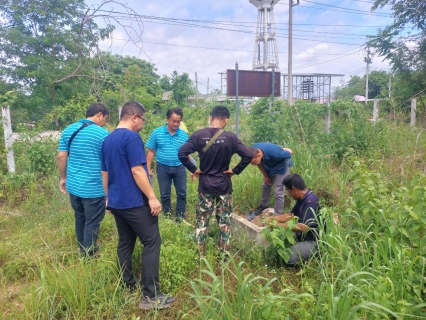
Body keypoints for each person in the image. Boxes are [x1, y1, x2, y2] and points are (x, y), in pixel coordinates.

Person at [101, 101, 176, 310]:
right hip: (134, 201)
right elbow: (137, 170)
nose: (143, 124)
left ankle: (126, 284)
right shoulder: (132, 137)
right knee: (152, 241)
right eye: (142, 119)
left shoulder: (107, 139)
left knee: (125, 243)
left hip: (117, 202)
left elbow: (104, 173)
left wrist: (108, 198)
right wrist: (152, 197)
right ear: (134, 116)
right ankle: (151, 296)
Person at [178, 105, 253, 256]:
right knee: (224, 222)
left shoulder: (198, 135)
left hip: (205, 185)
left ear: (211, 118)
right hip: (224, 185)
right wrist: (234, 171)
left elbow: (181, 153)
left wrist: (194, 170)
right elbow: (248, 155)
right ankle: (223, 257)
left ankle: (201, 257)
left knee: (202, 223)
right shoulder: (231, 137)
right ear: (225, 120)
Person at [57, 103, 109, 257]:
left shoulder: (68, 130)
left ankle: (82, 248)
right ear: (99, 114)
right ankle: (88, 255)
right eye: (105, 118)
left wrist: (63, 179)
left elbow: (61, 156)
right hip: (94, 188)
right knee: (92, 222)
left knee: (80, 217)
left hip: (73, 186)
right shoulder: (102, 134)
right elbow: (107, 164)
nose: (104, 122)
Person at [146, 107, 191, 221]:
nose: (176, 124)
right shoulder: (157, 133)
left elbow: (187, 153)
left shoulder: (183, 135)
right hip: (162, 167)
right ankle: (168, 217)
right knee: (165, 194)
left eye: (178, 121)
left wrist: (191, 169)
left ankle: (181, 218)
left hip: (179, 167)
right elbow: (151, 151)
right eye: (173, 121)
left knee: (182, 194)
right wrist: (148, 168)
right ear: (167, 119)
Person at [267, 173, 323, 266]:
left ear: (294, 189)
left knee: (288, 257)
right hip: (303, 237)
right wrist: (274, 218)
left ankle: (316, 255)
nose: (289, 194)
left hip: (315, 241)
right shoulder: (302, 198)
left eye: (288, 191)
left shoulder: (310, 201)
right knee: (282, 244)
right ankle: (301, 248)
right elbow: (291, 215)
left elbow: (304, 227)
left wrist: (278, 224)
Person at [250, 142, 293, 218]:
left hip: (282, 166)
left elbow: (290, 152)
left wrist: (283, 149)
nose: (252, 164)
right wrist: (266, 176)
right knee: (266, 185)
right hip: (271, 166)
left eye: (253, 162)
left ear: (259, 156)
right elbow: (259, 164)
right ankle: (264, 206)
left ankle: (277, 215)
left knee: (278, 191)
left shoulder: (276, 154)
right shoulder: (254, 150)